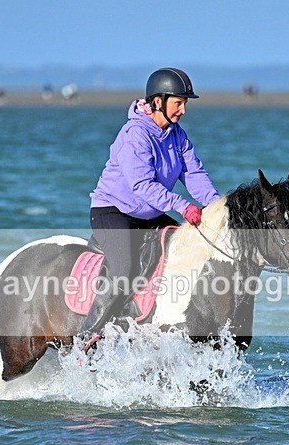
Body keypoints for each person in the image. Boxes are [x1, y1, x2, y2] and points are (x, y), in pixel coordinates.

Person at [81, 67, 220, 341]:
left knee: (187, 247)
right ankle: (88, 336)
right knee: (123, 269)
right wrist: (183, 206)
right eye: (179, 103)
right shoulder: (135, 134)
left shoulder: (177, 135)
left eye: (185, 104)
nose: (183, 110)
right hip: (113, 212)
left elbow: (194, 175)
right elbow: (142, 186)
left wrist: (216, 209)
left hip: (149, 213)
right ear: (158, 102)